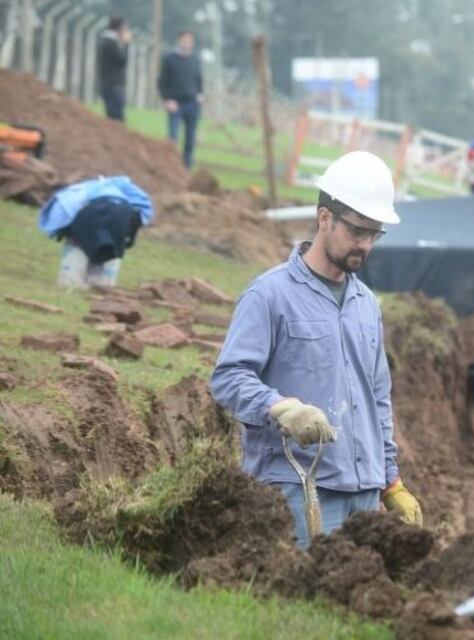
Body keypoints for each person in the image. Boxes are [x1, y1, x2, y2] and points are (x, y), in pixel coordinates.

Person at [210, 151, 422, 550]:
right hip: (298, 487)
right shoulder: (269, 296)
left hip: (364, 489)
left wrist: (390, 481)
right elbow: (228, 378)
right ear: (325, 218)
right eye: (357, 231)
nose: (365, 245)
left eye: (374, 234)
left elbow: (377, 401)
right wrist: (281, 408)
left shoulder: (366, 305)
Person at [38, 175, 153, 289]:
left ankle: (72, 281)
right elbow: (143, 212)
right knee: (110, 244)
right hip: (123, 214)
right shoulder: (126, 190)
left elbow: (59, 217)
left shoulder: (73, 193)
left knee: (80, 240)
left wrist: (65, 233)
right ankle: (102, 283)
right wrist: (129, 238)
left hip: (92, 212)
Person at [157, 30, 203, 168]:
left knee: (190, 139)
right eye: (184, 40)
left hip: (192, 104)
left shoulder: (195, 60)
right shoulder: (169, 59)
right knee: (173, 137)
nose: (187, 43)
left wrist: (200, 94)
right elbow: (162, 82)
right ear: (179, 41)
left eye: (190, 40)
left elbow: (199, 80)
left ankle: (186, 169)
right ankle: (170, 166)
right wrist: (167, 100)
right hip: (175, 104)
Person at [96, 17, 130, 121]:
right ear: (119, 28)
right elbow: (122, 61)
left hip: (108, 84)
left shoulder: (105, 41)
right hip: (113, 84)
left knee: (113, 116)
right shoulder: (110, 43)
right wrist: (126, 44)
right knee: (117, 117)